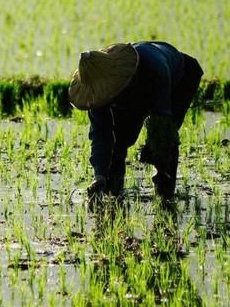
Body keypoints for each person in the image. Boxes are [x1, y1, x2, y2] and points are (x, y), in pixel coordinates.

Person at [68, 41, 203, 201]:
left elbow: (162, 123)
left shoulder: (152, 68)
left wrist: (158, 153)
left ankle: (165, 194)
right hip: (138, 87)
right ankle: (111, 190)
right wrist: (99, 174)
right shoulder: (97, 92)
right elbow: (100, 133)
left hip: (179, 79)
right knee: (119, 140)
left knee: (164, 139)